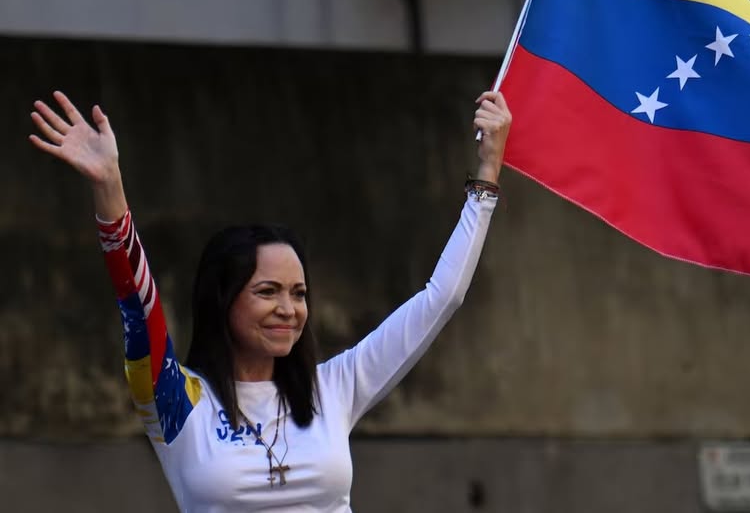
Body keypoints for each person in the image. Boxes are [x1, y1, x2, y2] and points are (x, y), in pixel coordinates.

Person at [29, 89, 511, 512]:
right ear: (224, 300)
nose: (289, 309)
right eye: (267, 291)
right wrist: (109, 187)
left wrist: (486, 176)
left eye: (299, 293)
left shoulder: (335, 389)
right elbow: (138, 304)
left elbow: (441, 298)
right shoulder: (178, 401)